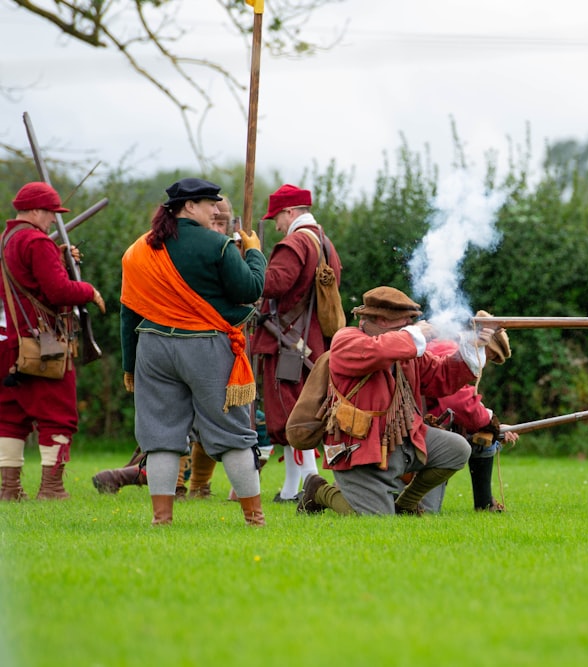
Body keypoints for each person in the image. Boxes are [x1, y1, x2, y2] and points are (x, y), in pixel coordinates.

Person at [120, 177, 266, 526]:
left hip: (152, 349)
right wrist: (256, 253)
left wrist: (129, 365)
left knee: (161, 437)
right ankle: (255, 519)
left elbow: (129, 312)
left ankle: (162, 520)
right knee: (232, 435)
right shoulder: (217, 245)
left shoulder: (138, 249)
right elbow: (250, 289)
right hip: (207, 346)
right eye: (209, 203)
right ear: (188, 206)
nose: (215, 210)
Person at [296, 286, 496, 516]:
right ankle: (319, 491)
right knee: (376, 519)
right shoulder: (347, 339)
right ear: (382, 319)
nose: (410, 325)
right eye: (405, 320)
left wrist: (472, 346)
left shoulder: (405, 348)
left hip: (403, 441)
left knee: (457, 448)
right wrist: (416, 334)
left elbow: (441, 377)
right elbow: (378, 351)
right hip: (359, 450)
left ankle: (406, 504)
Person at [0, 182, 106, 501]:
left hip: (6, 341)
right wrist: (89, 290)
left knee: (9, 416)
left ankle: (9, 489)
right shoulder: (35, 241)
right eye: (50, 213)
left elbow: (26, 278)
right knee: (58, 415)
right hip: (40, 342)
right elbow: (58, 291)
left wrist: (56, 255)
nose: (52, 220)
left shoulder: (6, 240)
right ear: (35, 211)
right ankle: (51, 488)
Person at [250, 184, 342, 503]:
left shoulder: (295, 243)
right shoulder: (324, 243)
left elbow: (273, 284)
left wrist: (249, 262)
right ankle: (292, 487)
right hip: (305, 340)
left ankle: (307, 484)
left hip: (287, 341)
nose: (275, 224)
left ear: (290, 213)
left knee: (290, 414)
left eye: (277, 216)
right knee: (292, 414)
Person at [419, 318, 517, 513]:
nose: (487, 362)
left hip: (429, 428)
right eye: (490, 355)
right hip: (422, 435)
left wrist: (490, 423)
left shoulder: (446, 344)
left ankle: (484, 504)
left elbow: (464, 404)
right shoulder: (448, 347)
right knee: (424, 512)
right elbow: (457, 403)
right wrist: (490, 421)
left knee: (485, 437)